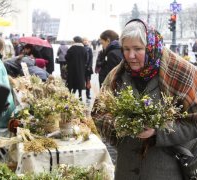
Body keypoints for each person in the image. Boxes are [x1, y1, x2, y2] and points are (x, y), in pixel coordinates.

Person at [92, 19, 197, 180]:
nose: (130, 56)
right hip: (126, 170)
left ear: (151, 47)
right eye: (126, 49)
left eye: (137, 49)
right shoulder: (117, 75)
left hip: (166, 170)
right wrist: (119, 124)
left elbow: (193, 122)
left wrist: (157, 131)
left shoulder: (182, 73)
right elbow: (99, 112)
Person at [65, 36, 87, 100]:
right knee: (79, 81)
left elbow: (66, 57)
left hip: (72, 68)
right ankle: (80, 96)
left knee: (71, 81)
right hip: (81, 68)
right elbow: (86, 59)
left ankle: (71, 95)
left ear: (75, 41)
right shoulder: (84, 49)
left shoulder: (71, 48)